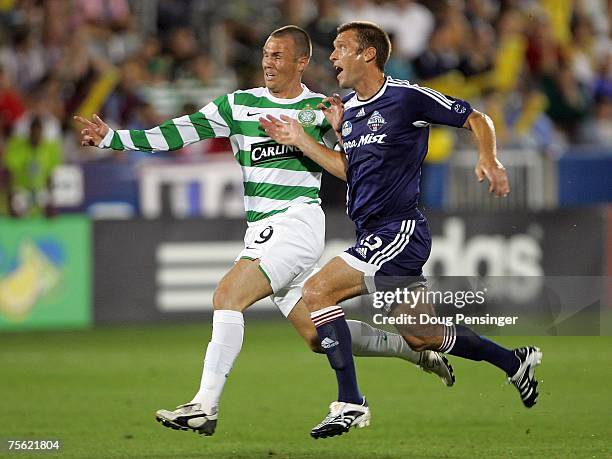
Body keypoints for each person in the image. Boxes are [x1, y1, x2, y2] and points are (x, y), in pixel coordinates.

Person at [74, 25, 454, 437]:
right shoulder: (239, 106)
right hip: (262, 229)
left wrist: (343, 132)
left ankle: (204, 405)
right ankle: (416, 352)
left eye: (278, 55)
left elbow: (356, 166)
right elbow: (180, 131)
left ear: (301, 62)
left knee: (227, 296)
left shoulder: (321, 109)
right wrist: (115, 138)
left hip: (297, 223)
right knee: (316, 334)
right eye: (265, 54)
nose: (268, 63)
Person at [260, 21, 542, 440]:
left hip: (399, 230)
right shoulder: (350, 110)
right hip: (372, 231)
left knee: (317, 292)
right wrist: (315, 138)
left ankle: (350, 402)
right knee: (421, 335)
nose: (332, 56)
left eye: (341, 48)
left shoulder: (406, 97)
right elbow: (349, 171)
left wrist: (490, 158)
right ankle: (514, 361)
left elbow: (475, 117)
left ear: (368, 54)